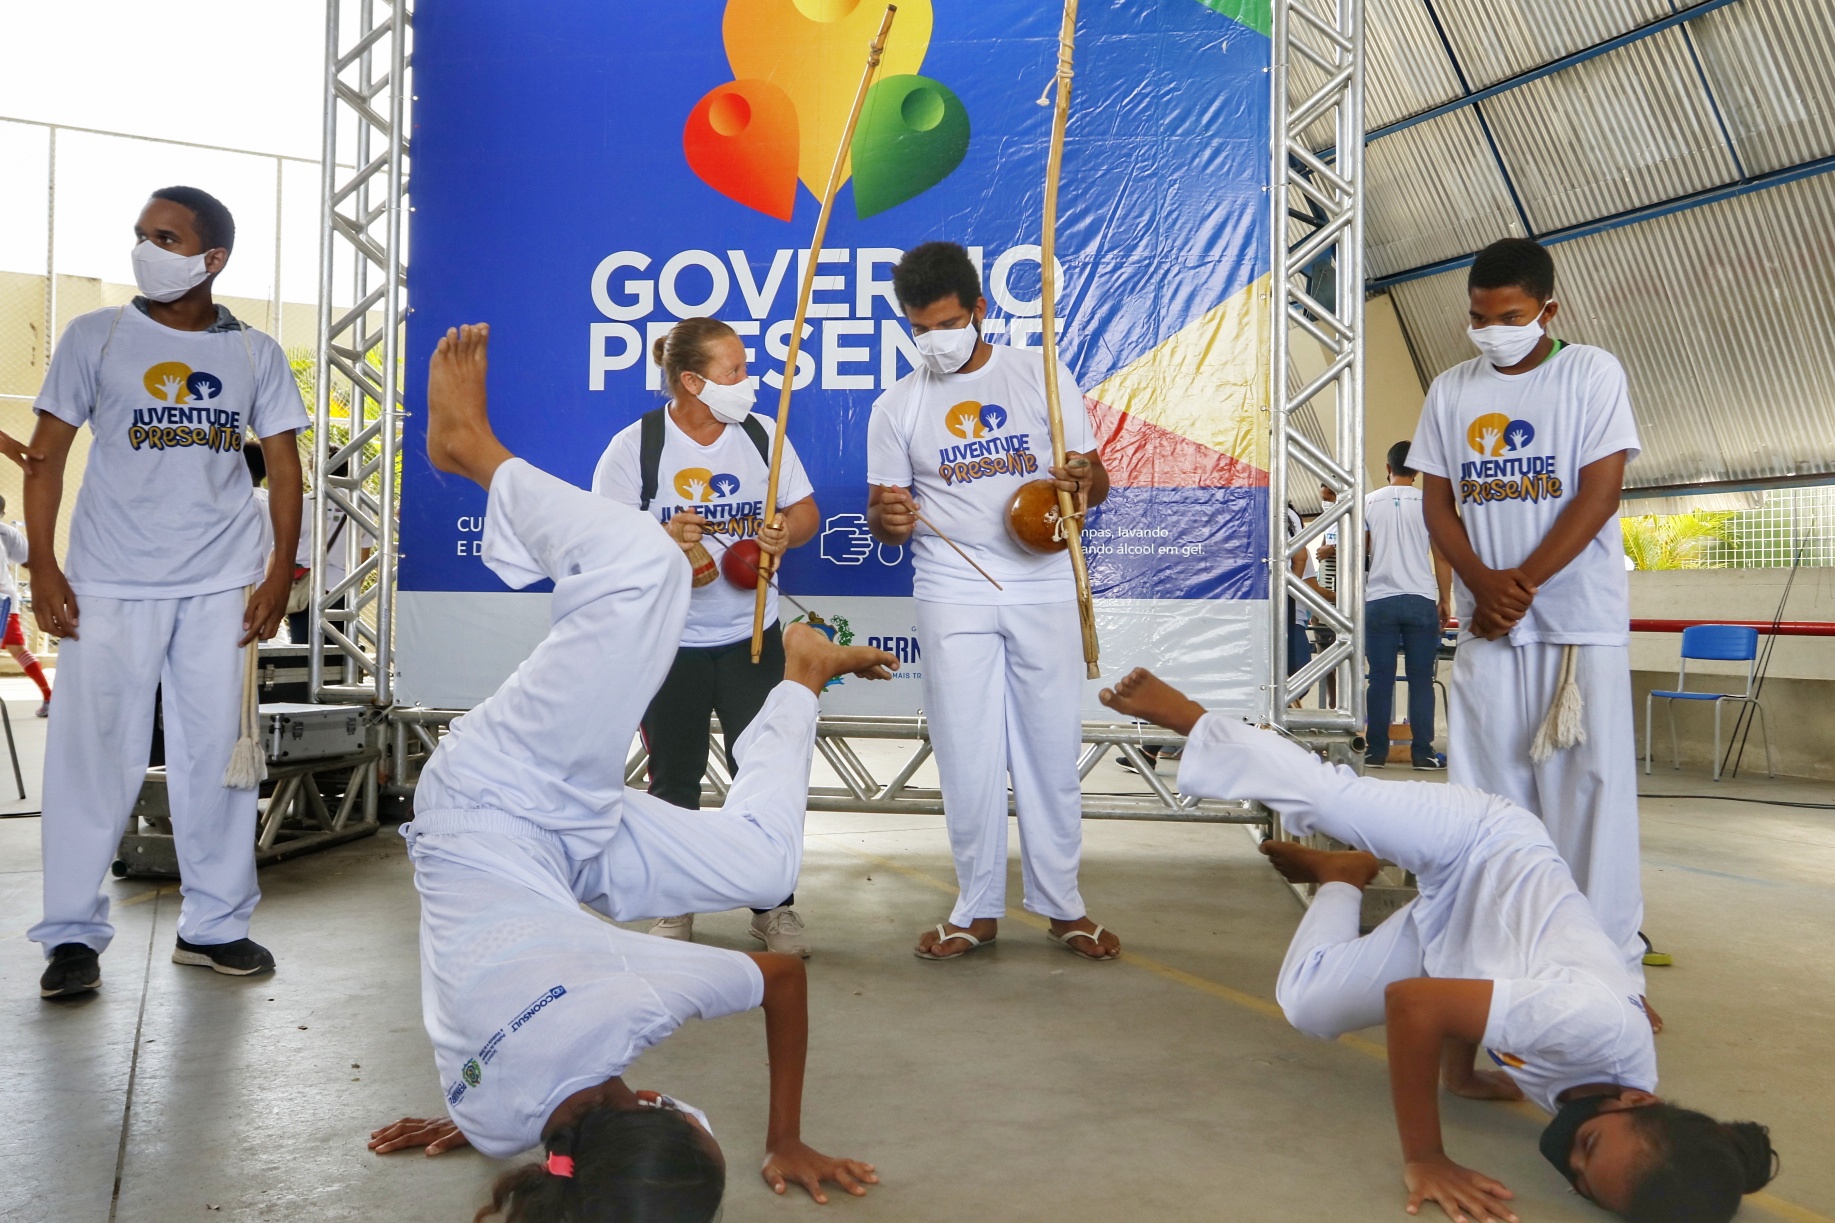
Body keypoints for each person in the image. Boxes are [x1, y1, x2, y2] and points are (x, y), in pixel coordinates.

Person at [368, 324, 889, 1220]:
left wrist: (782, 1136)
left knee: (644, 565)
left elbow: (782, 981)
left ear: (662, 1108)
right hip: (573, 847)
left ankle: (472, 450)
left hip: (495, 795)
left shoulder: (642, 1001)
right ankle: (802, 671)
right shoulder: (492, 1118)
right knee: (765, 869)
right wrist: (469, 1103)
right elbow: (514, 1057)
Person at [1097, 668, 1778, 1223]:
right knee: (1327, 798)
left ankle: (1340, 877)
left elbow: (1483, 993)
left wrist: (1461, 1073)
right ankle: (1190, 716)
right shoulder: (1592, 1031)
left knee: (1307, 1004)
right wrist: (1426, 1155)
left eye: (1578, 1179)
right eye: (1588, 1146)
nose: (1567, 1151)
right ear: (1639, 1103)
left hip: (1451, 934)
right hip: (1480, 843)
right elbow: (1418, 1007)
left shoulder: (1599, 1099)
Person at [27, 186, 305, 998]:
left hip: (222, 584)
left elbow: (282, 469)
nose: (146, 247)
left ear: (210, 259)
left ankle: (215, 925)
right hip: (108, 580)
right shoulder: (95, 335)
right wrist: (43, 565)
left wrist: (278, 570)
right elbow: (44, 456)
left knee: (218, 761)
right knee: (92, 758)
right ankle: (72, 935)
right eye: (142, 233)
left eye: (166, 236)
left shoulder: (254, 353)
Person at [864, 241, 1118, 962]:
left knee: (1048, 744)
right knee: (966, 749)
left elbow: (1095, 481)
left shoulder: (1039, 373)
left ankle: (1063, 904)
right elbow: (885, 514)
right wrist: (890, 520)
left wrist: (1078, 482)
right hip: (950, 588)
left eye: (946, 324)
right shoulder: (897, 404)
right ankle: (974, 906)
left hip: (1042, 581)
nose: (933, 343)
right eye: (918, 330)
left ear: (980, 310)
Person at [1408, 237, 1651, 984]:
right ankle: (1495, 965)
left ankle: (1610, 975)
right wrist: (1485, 588)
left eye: (1509, 315)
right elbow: (1438, 503)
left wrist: (1522, 585)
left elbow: (1598, 493)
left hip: (1575, 629)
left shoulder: (1589, 372)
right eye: (1478, 318)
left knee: (1589, 808)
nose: (1491, 331)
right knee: (1488, 803)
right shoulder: (1449, 389)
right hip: (1489, 630)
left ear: (1549, 308)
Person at [593, 317, 821, 956]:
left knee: (763, 774)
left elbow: (804, 511)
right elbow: (601, 545)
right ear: (692, 381)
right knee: (674, 779)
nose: (748, 381)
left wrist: (783, 530)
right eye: (735, 370)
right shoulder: (635, 448)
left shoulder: (757, 434)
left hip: (753, 637)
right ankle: (674, 903)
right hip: (668, 644)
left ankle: (773, 907)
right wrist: (661, 541)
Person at [1364, 440, 1452, 770]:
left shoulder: (1368, 502)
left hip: (1380, 601)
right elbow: (1442, 557)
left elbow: (1358, 552)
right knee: (1420, 681)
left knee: (1379, 680)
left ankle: (1375, 752)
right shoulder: (1431, 503)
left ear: (1388, 469)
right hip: (1420, 600)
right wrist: (1445, 599)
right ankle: (1423, 753)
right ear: (1417, 469)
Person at [0, 495, 54, 716]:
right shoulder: (6, 533)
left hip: (2, 598)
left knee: (16, 647)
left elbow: (29, 562)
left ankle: (50, 696)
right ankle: (50, 696)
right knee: (16, 648)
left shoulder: (6, 533)